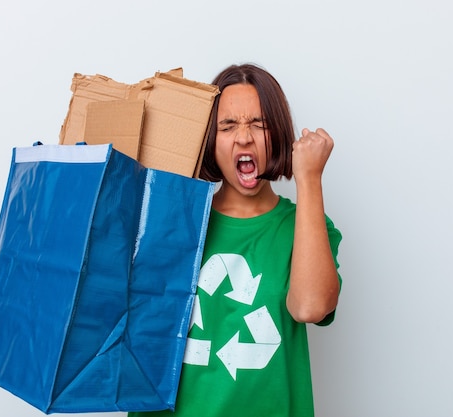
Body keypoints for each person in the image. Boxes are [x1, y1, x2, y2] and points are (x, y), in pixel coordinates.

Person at [129, 63, 342, 417]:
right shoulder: (175, 220)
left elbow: (310, 308)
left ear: (279, 135)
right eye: (227, 126)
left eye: (259, 124)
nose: (244, 137)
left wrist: (309, 179)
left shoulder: (303, 227)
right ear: (210, 140)